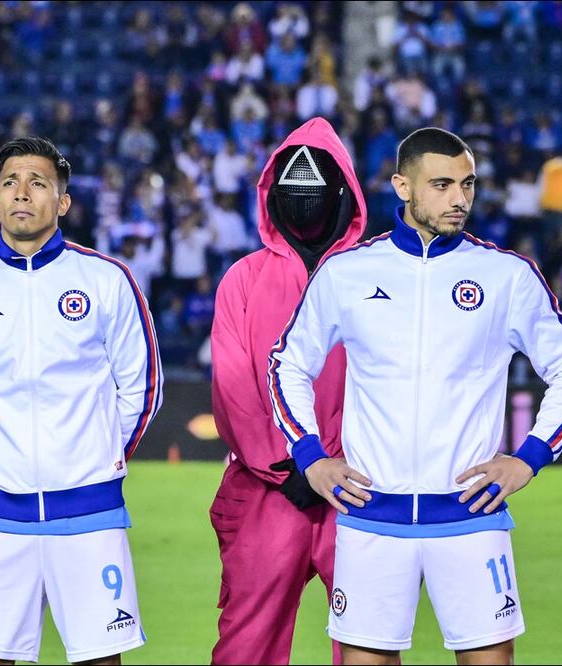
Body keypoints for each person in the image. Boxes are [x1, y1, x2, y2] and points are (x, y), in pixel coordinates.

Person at [269, 128, 562, 663]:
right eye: (442, 184)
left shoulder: (505, 275)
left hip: (471, 515)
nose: (460, 198)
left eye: (467, 184)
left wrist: (530, 457)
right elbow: (288, 365)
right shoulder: (348, 272)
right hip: (371, 516)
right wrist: (310, 457)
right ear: (402, 186)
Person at [0, 137, 163, 665]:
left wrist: (96, 457)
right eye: (10, 182)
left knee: (101, 658)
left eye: (38, 183)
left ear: (63, 202)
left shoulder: (107, 280)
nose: (22, 193)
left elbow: (141, 388)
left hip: (91, 512)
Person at [210, 117, 367, 665]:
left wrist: (333, 463)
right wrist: (288, 465)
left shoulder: (372, 276)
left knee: (367, 645)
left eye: (317, 183)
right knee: (247, 645)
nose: (305, 197)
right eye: (294, 184)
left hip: (356, 485)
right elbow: (233, 387)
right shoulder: (244, 279)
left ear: (344, 190)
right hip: (267, 488)